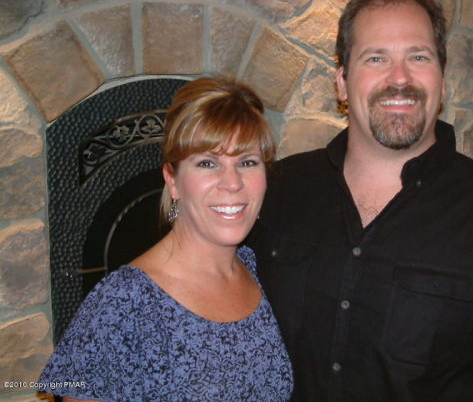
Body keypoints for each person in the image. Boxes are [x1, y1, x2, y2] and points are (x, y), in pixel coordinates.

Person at [250, 0, 473, 401]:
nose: (399, 78)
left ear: (442, 81)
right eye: (376, 57)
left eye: (418, 56)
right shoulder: (275, 191)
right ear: (341, 82)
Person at [38, 77, 293, 401]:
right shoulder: (124, 302)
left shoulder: (257, 269)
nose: (232, 183)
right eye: (207, 163)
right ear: (172, 179)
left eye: (247, 162)